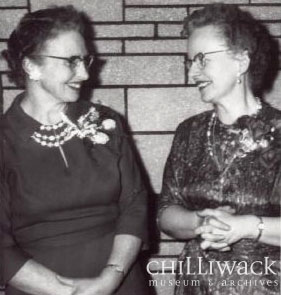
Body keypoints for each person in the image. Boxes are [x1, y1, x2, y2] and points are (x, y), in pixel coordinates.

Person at [0, 5, 149, 295]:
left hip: (122, 281)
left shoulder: (106, 121)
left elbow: (135, 204)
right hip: (40, 288)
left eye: (85, 60)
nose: (83, 74)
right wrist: (68, 292)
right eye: (71, 61)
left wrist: (111, 278)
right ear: (31, 65)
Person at [158, 3, 280, 295]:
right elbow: (164, 212)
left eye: (202, 59)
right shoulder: (189, 132)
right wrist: (198, 221)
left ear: (241, 62)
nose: (192, 73)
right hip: (195, 285)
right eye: (190, 62)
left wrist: (247, 227)